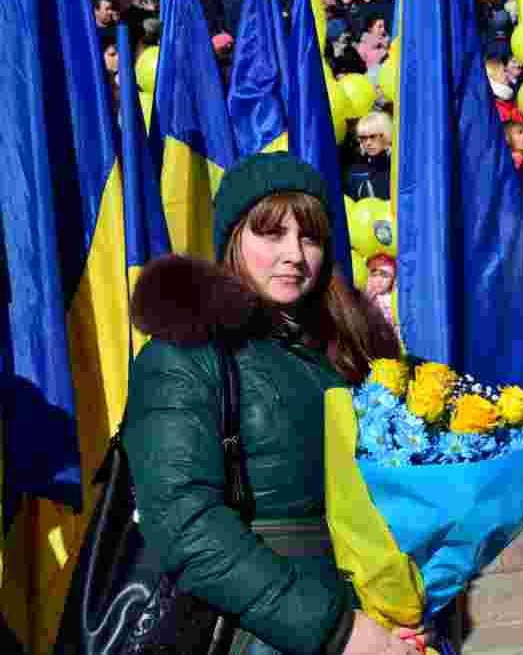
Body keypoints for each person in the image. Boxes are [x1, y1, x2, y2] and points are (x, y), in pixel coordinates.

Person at [122, 153, 412, 655]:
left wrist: (404, 609)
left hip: (368, 622)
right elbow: (184, 524)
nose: (295, 255)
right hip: (253, 633)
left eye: (311, 237)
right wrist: (336, 632)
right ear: (234, 240)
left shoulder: (346, 351)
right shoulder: (187, 352)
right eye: (272, 234)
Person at [344, 111, 392, 200]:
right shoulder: (354, 172)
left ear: (385, 136)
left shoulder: (398, 169)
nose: (368, 143)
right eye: (363, 138)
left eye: (373, 136)